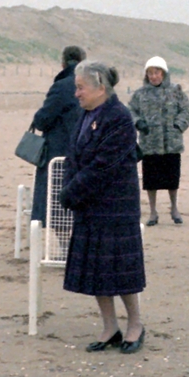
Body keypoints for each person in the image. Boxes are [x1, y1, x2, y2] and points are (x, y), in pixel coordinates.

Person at [62, 60, 147, 353]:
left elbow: (103, 166)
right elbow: (74, 157)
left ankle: (135, 324)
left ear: (100, 87)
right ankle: (110, 327)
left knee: (122, 271)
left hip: (115, 207)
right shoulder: (84, 115)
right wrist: (72, 189)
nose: (77, 93)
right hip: (89, 205)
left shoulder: (120, 118)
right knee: (98, 271)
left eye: (80, 87)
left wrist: (72, 191)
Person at [128, 56, 189, 226]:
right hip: (150, 144)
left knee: (172, 179)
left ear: (164, 73)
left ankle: (174, 208)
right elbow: (130, 111)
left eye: (156, 72)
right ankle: (152, 212)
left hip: (171, 144)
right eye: (150, 73)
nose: (153, 76)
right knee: (151, 181)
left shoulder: (175, 91)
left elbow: (187, 110)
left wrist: (178, 126)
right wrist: (138, 122)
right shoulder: (140, 94)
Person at [29, 45, 85, 225]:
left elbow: (43, 119)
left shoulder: (61, 86)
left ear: (63, 63)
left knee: (55, 204)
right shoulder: (93, 87)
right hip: (85, 152)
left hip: (59, 152)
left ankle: (63, 247)